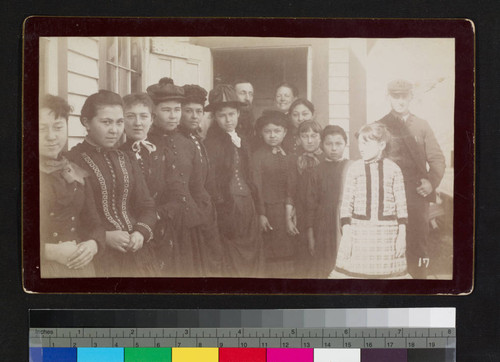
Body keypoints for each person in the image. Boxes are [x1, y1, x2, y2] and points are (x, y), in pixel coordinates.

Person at [67, 90, 156, 277]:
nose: (114, 130)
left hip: (138, 255)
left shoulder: (127, 157)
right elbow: (72, 217)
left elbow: (147, 206)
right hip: (101, 258)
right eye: (106, 122)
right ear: (86, 122)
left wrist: (140, 233)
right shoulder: (72, 161)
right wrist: (105, 237)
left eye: (119, 122)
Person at [377, 79, 445, 279]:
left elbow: (437, 158)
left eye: (404, 96)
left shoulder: (422, 125)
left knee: (418, 242)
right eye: (395, 96)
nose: (400, 101)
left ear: (411, 97)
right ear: (388, 97)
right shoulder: (380, 125)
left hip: (416, 194)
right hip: (389, 194)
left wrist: (431, 182)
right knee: (390, 240)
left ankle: (419, 284)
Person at [147, 77, 208, 277]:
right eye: (166, 110)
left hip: (190, 224)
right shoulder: (145, 145)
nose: (173, 116)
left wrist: (202, 215)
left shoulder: (187, 144)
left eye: (177, 109)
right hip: (160, 224)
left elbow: (197, 187)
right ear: (153, 113)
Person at [332, 123, 409, 279]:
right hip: (359, 234)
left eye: (366, 143)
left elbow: (401, 206)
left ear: (381, 145)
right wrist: (346, 235)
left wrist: (402, 236)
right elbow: (346, 204)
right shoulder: (354, 168)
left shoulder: (394, 169)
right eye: (360, 143)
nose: (361, 147)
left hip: (387, 235)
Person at [39, 94, 103, 278]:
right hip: (39, 270)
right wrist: (50, 251)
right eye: (41, 129)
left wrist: (93, 244)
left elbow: (94, 223)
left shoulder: (74, 170)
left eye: (58, 127)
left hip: (80, 269)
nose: (51, 136)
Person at [204, 84, 264, 277]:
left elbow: (251, 177)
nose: (228, 120)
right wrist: (222, 209)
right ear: (215, 117)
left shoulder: (243, 140)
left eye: (232, 114)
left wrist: (260, 210)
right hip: (227, 208)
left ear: (238, 114)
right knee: (231, 259)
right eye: (222, 115)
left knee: (253, 256)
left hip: (248, 206)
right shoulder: (210, 144)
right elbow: (212, 183)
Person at [178, 84, 224, 276]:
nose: (194, 116)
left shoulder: (196, 138)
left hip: (205, 209)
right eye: (188, 111)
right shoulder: (177, 140)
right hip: (190, 213)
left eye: (198, 111)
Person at [119, 92, 164, 276]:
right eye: (130, 116)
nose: (138, 123)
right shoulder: (117, 154)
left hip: (163, 227)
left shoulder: (159, 150)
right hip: (132, 232)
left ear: (152, 119)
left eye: (143, 116)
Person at [252, 110, 296, 278]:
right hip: (268, 211)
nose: (272, 135)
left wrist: (290, 213)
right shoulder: (258, 156)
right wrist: (261, 214)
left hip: (286, 210)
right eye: (267, 131)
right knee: (270, 252)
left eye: (277, 131)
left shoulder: (290, 156)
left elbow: (292, 186)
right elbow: (257, 186)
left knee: (288, 250)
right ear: (261, 133)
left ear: (284, 132)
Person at [306, 125, 351, 278]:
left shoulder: (352, 168)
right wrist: (311, 235)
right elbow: (311, 205)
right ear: (322, 145)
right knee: (324, 265)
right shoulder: (316, 171)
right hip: (323, 223)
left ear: (345, 144)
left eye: (338, 143)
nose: (333, 148)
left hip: (346, 222)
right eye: (328, 143)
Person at [286, 120, 324, 277]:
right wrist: (288, 217)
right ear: (298, 139)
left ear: (320, 138)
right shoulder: (293, 160)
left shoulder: (326, 159)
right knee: (303, 257)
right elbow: (290, 190)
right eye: (305, 136)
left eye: (314, 136)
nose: (309, 140)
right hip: (301, 212)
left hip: (321, 213)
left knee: (320, 253)